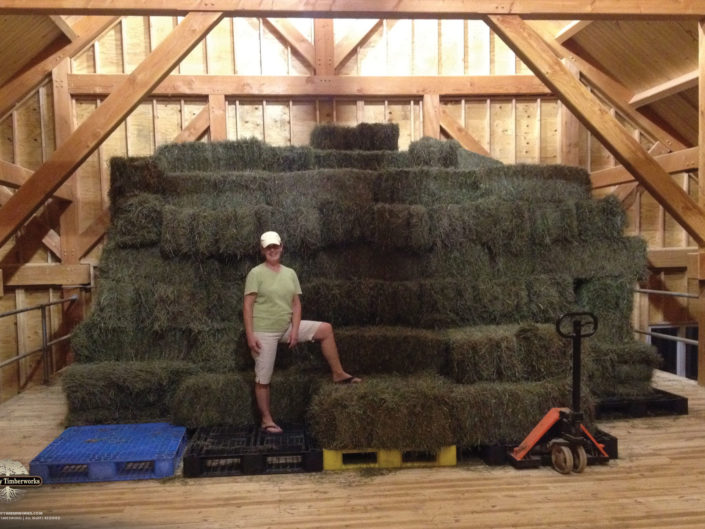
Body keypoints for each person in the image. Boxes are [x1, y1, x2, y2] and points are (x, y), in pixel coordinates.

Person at [243, 231, 361, 434]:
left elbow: (296, 305)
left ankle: (338, 373)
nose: (273, 250)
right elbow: (247, 306)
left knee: (325, 329)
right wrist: (250, 335)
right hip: (264, 331)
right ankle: (266, 419)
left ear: (282, 247)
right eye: (268, 247)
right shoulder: (256, 273)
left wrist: (296, 330)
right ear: (263, 250)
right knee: (263, 378)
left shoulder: (290, 273)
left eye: (276, 246)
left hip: (286, 326)